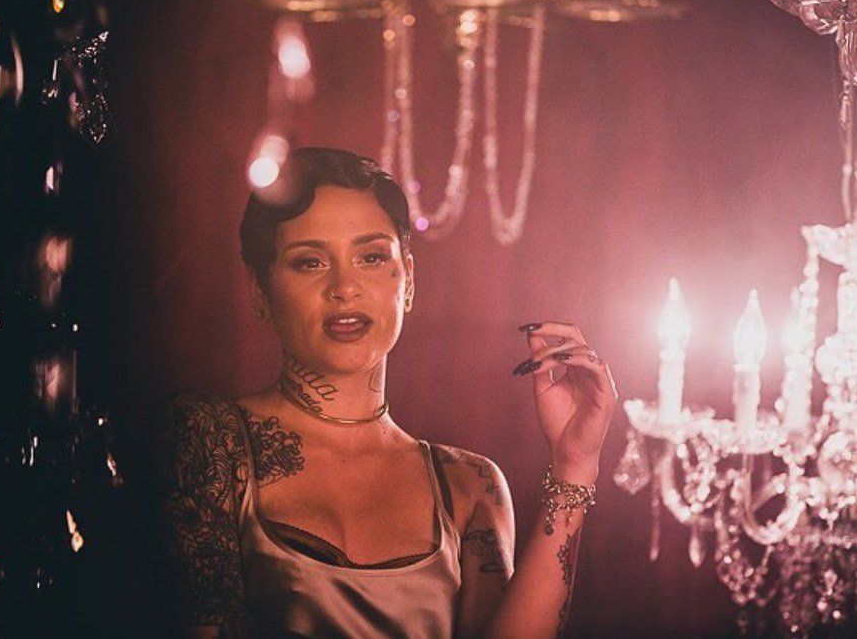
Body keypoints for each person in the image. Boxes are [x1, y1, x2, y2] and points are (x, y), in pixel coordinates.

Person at [153, 147, 617, 638]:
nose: (344, 287)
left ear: (408, 281)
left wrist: (574, 465)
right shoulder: (210, 439)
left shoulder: (469, 485)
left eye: (371, 257)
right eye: (310, 262)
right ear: (259, 291)